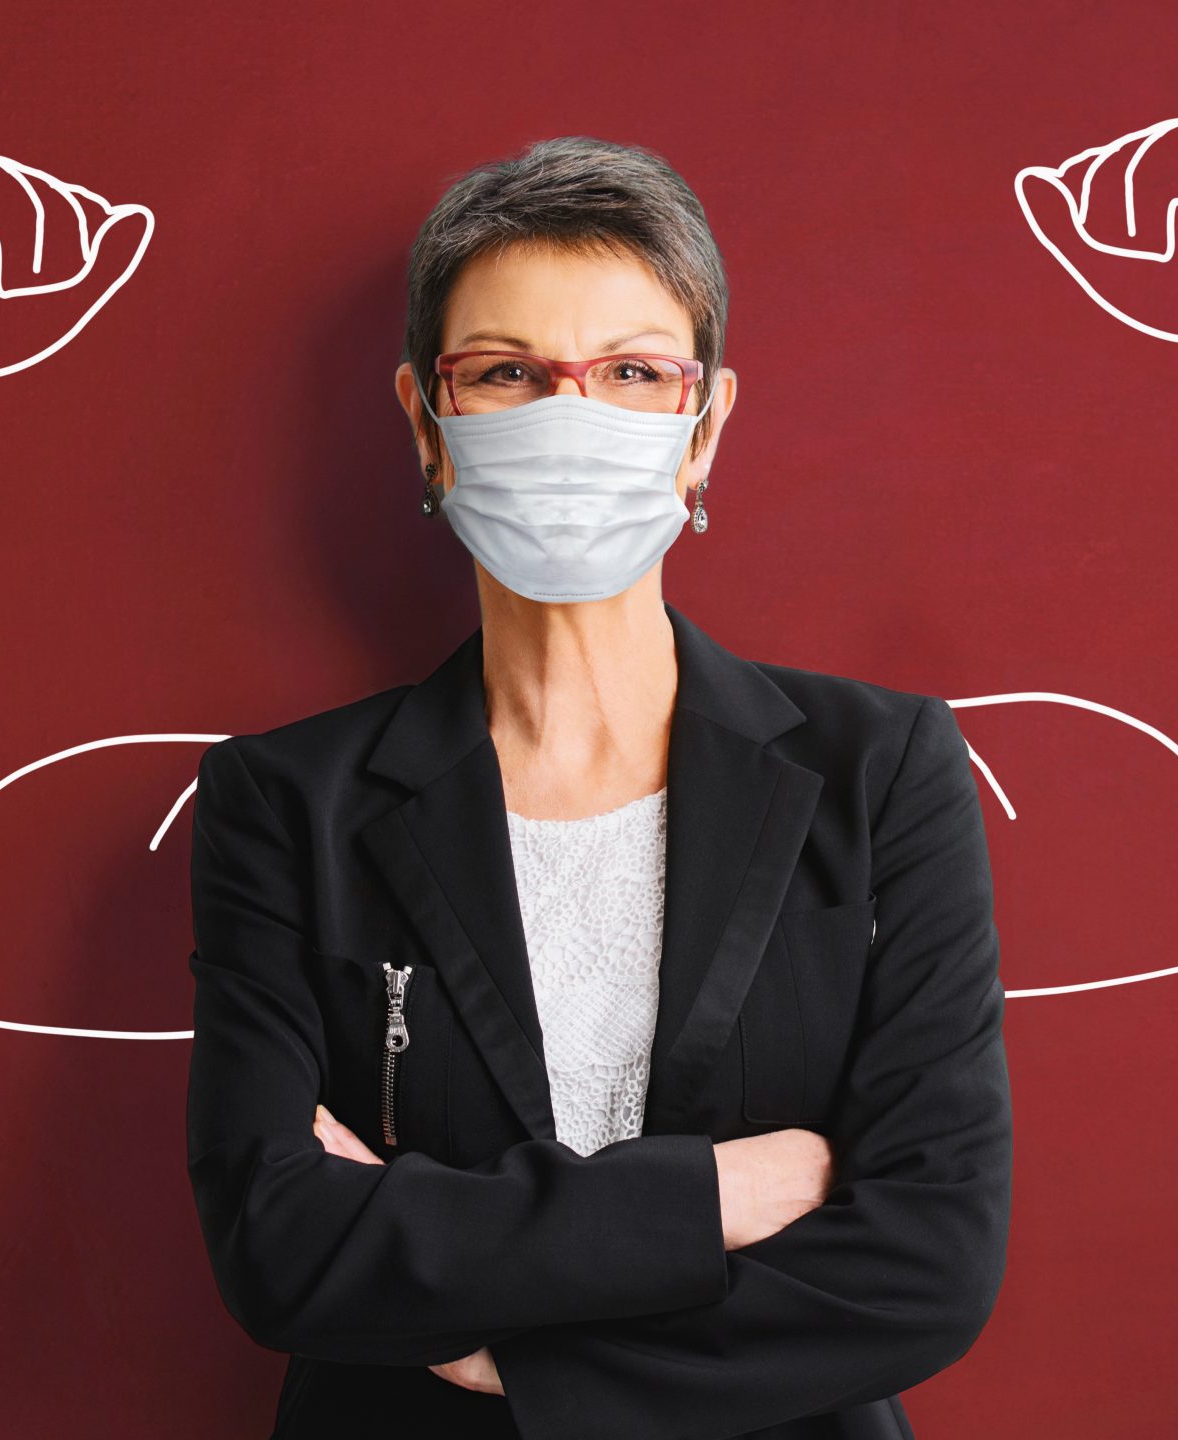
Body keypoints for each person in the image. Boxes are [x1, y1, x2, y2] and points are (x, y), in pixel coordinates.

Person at [181, 135, 1014, 1439]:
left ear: (704, 424)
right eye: (509, 373)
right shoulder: (287, 805)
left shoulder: (882, 769)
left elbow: (928, 1265)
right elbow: (282, 1244)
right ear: (426, 419)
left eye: (631, 372)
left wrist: (512, 1360)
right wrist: (715, 1200)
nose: (573, 417)